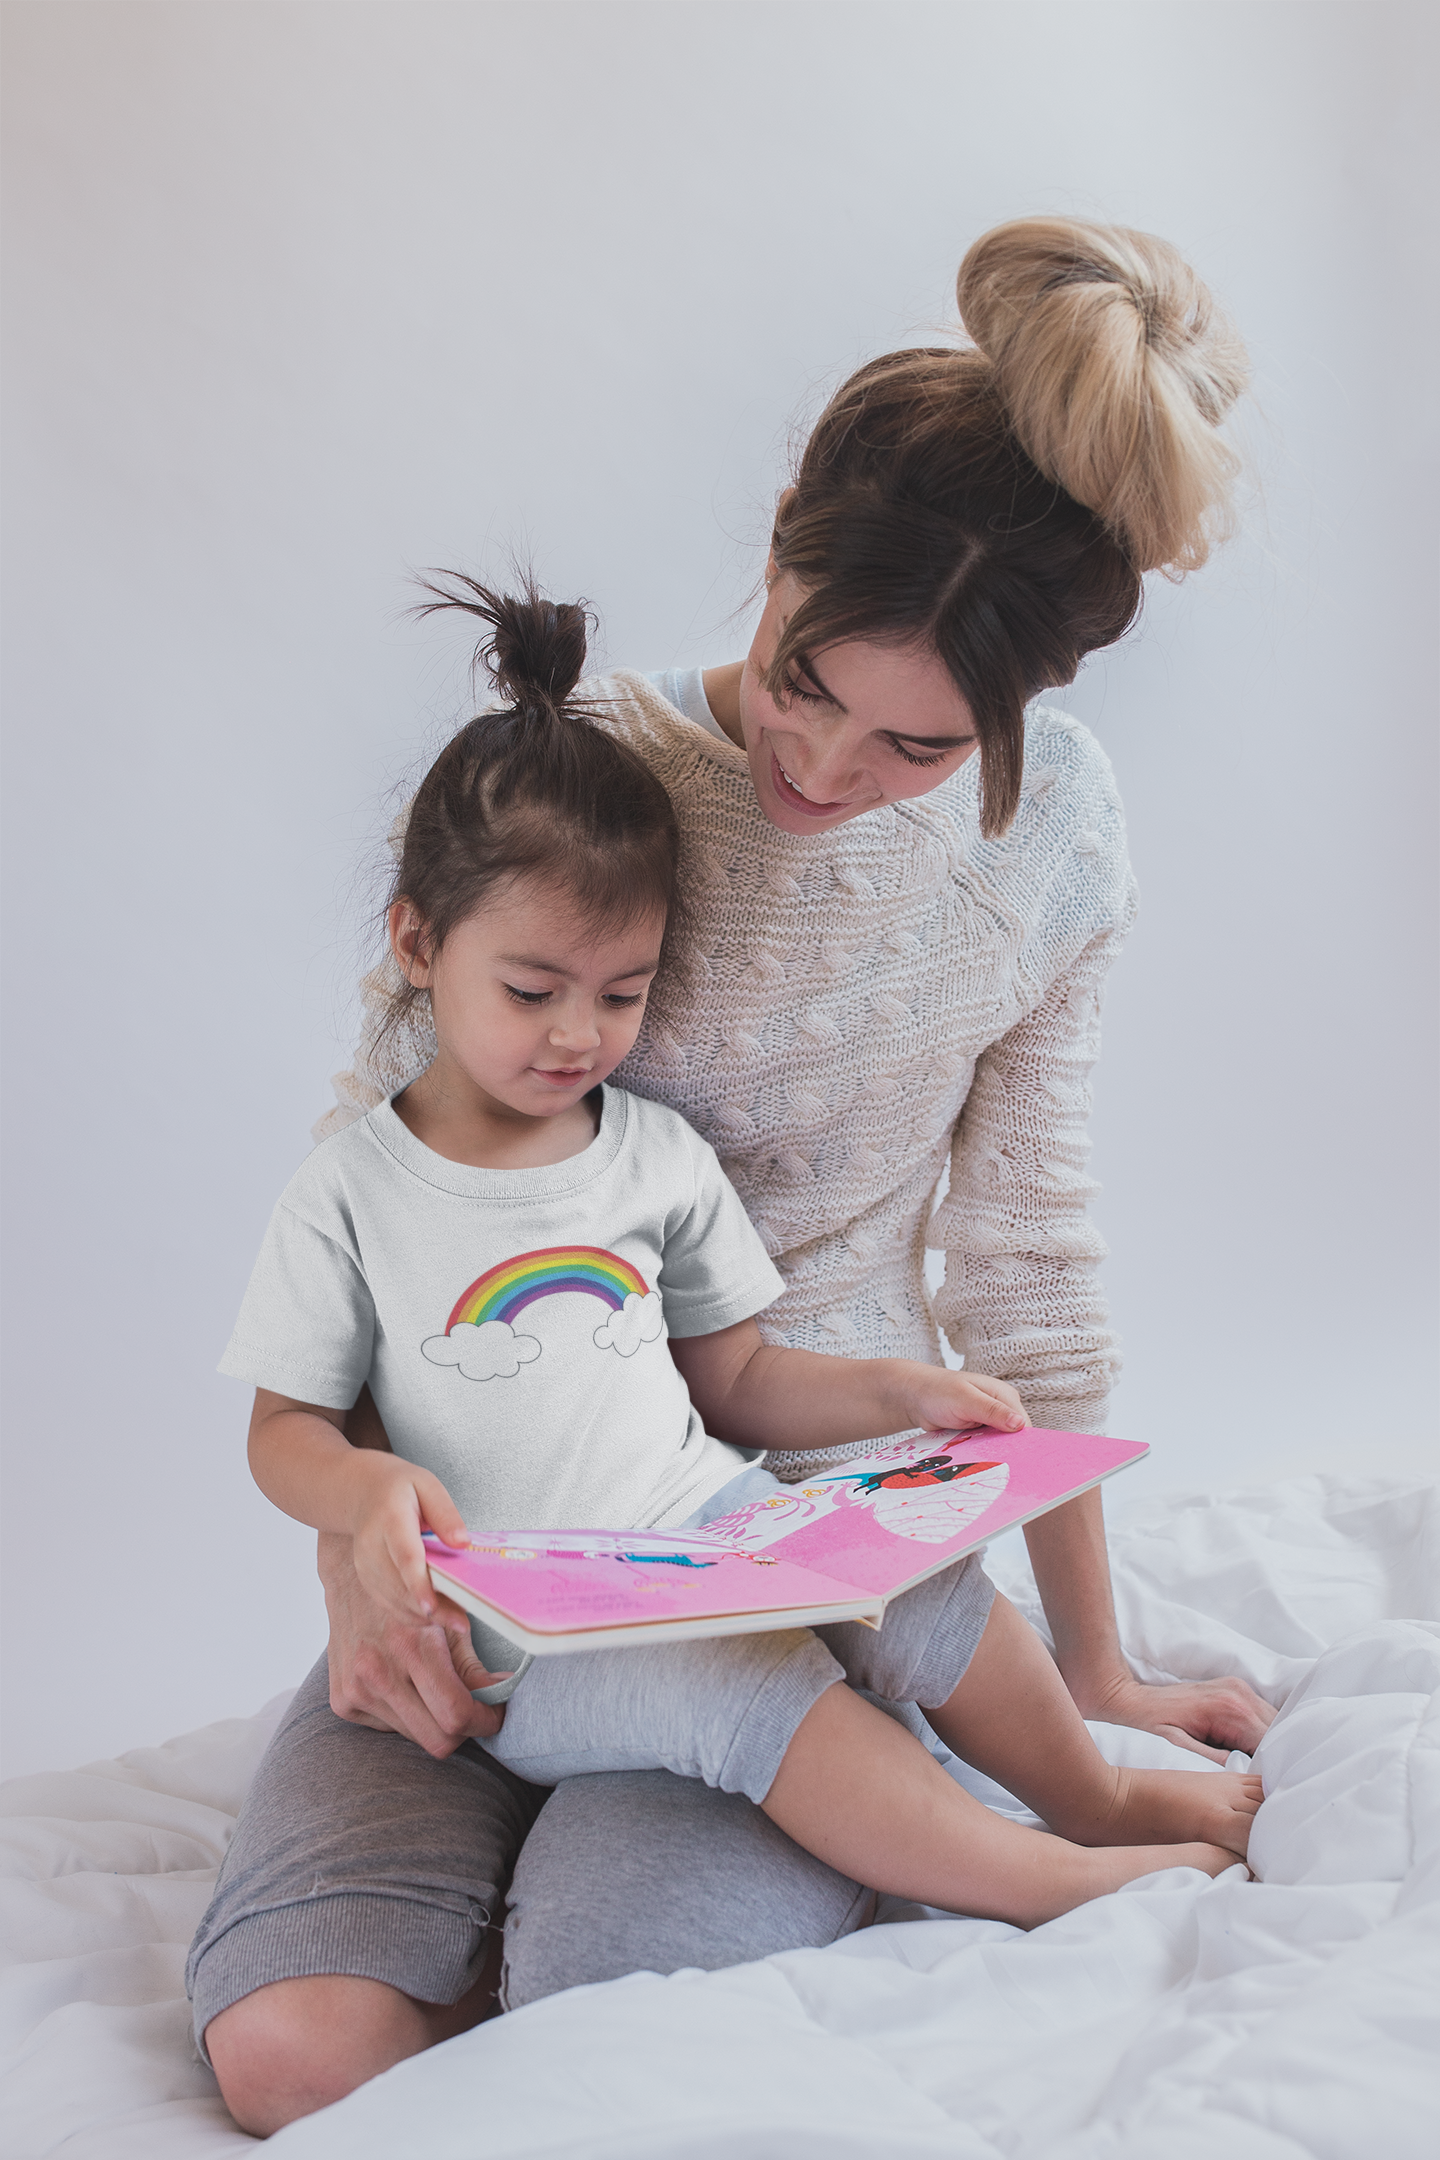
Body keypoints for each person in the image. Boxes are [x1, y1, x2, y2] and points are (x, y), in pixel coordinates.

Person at [197, 216, 1276, 2132]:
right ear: (782, 537)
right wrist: (364, 1563)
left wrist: (1092, 1666)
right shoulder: (579, 795)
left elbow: (1031, 1261)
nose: (825, 762)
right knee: (295, 2052)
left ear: (1022, 720)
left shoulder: (1054, 848)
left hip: (797, 1554)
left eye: (918, 743)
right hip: (496, 1553)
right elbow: (387, 1221)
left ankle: (874, 1786)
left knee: (610, 2020)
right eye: (804, 681)